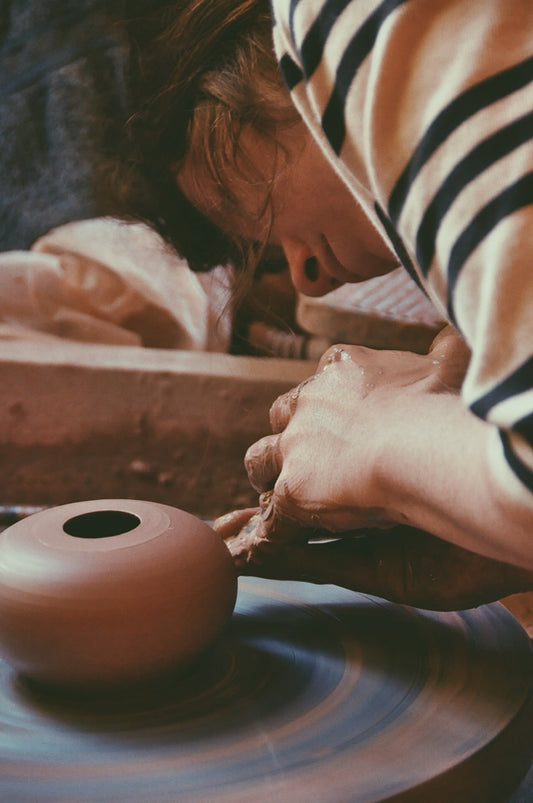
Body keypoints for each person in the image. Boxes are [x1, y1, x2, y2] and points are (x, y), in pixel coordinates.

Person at [110, 0, 533, 609]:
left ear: (259, 70)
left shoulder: (346, 21)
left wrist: (372, 435)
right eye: (273, 255)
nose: (308, 280)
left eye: (240, 190)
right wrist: (482, 516)